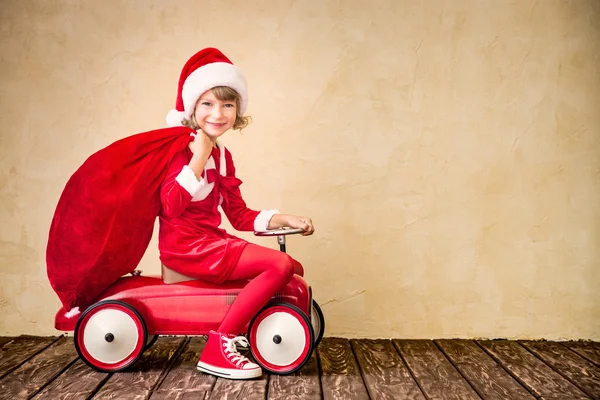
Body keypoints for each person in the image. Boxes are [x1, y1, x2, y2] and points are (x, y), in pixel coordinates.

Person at [159, 47, 314, 380]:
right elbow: (170, 206)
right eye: (208, 104)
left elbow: (239, 215)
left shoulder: (224, 156)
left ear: (237, 110)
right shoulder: (180, 150)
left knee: (290, 269)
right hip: (186, 245)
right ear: (192, 108)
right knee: (281, 264)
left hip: (211, 241)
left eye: (227, 104)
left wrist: (284, 219)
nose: (218, 113)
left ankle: (252, 330)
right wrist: (198, 157)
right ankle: (220, 344)